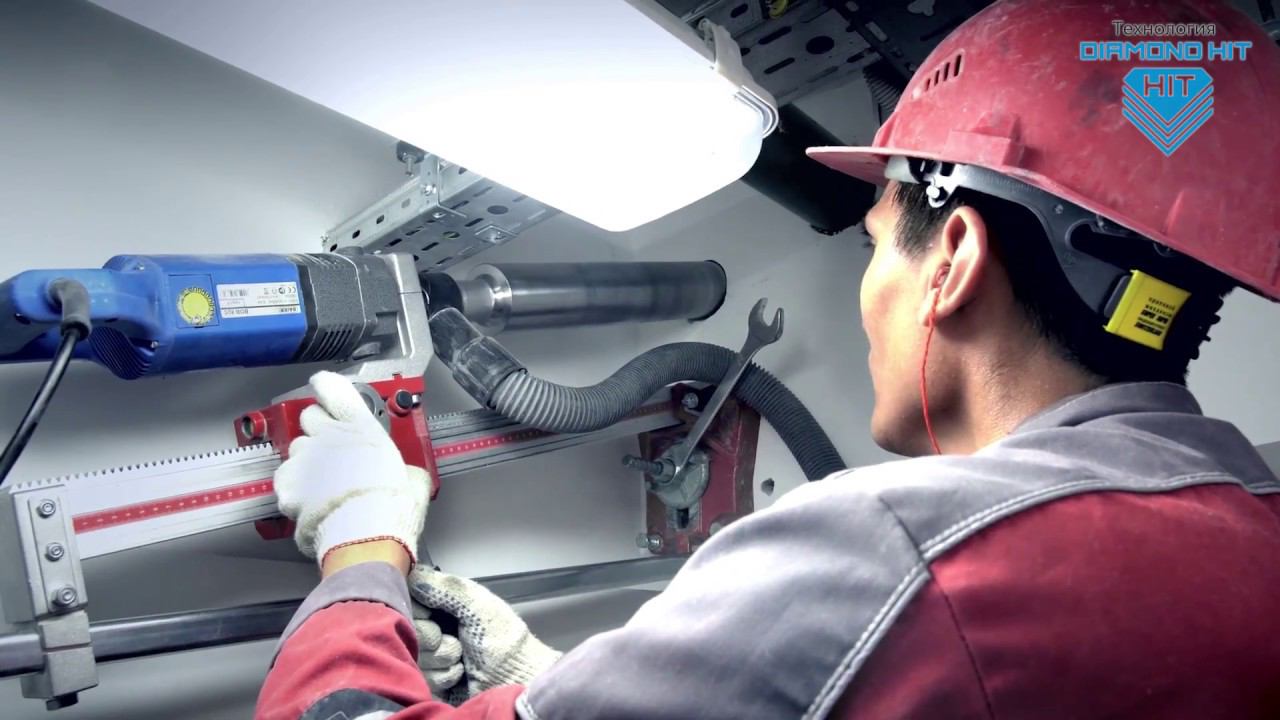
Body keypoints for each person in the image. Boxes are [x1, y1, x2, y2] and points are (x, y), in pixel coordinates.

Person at [256, 1, 1280, 718]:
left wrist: (360, 548)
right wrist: (543, 683)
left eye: (874, 246)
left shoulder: (898, 550)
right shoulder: (1252, 535)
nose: (866, 293)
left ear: (953, 260)